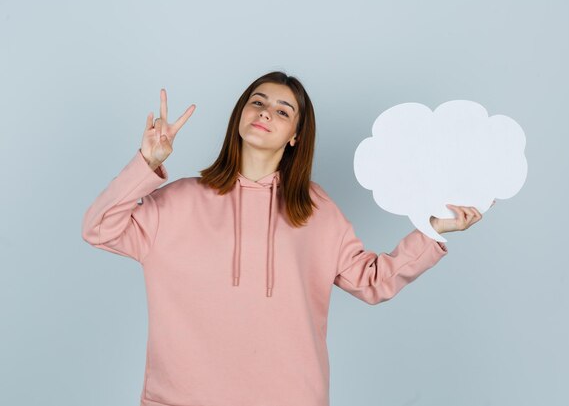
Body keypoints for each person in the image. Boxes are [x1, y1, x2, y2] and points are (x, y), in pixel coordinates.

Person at [81, 71, 490, 406]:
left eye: (282, 110)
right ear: (240, 114)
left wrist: (434, 230)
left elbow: (372, 280)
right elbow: (99, 229)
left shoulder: (314, 210)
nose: (265, 112)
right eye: (257, 102)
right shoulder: (179, 201)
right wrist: (145, 163)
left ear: (296, 134)